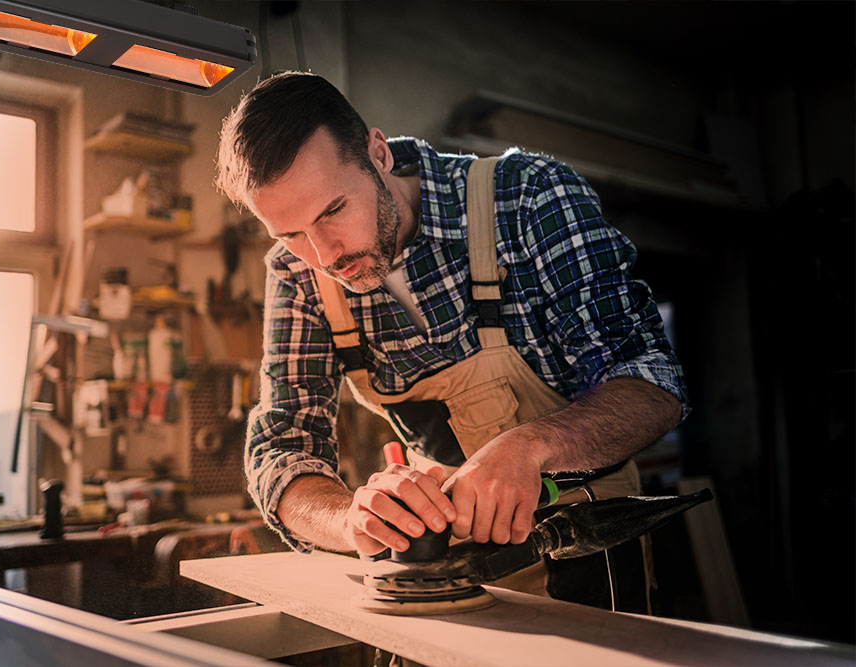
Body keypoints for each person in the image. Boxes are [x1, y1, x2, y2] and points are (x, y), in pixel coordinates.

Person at [215, 71, 687, 612]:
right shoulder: (297, 275)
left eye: (333, 211)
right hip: (438, 571)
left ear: (378, 153)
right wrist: (351, 519)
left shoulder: (529, 198)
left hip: (585, 545)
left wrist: (530, 447)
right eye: (291, 233)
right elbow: (282, 449)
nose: (324, 255)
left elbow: (651, 383)